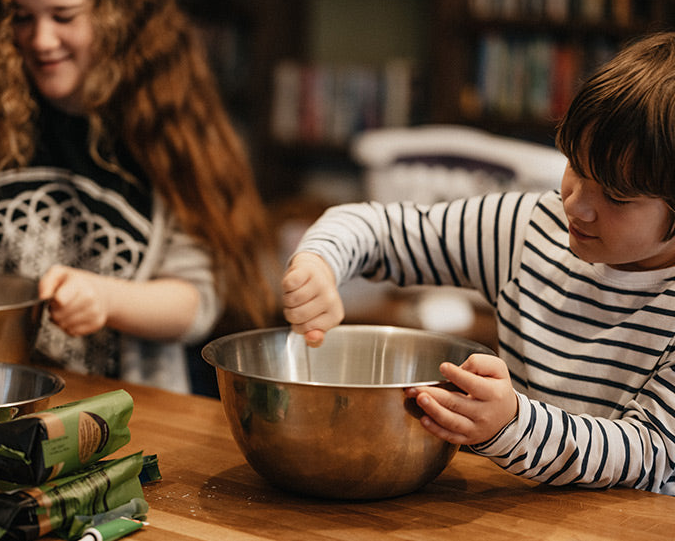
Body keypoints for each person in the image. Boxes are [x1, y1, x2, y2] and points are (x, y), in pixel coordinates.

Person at [282, 32, 675, 495]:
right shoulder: (529, 228)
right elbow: (375, 228)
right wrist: (320, 263)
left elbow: (651, 453)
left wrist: (512, 424)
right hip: (516, 514)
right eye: (575, 166)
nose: (577, 205)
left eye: (615, 196)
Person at [0, 0, 275, 392]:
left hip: (118, 416)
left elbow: (196, 304)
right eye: (22, 17)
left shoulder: (168, 131)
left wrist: (106, 299)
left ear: (117, 15)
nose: (41, 40)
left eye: (63, 16)